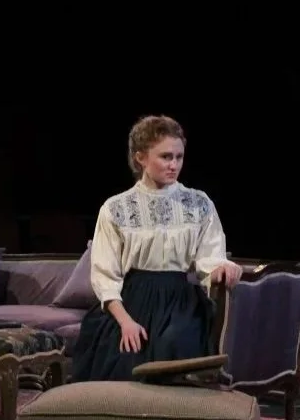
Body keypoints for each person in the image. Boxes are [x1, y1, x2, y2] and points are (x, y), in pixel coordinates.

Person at [71, 114, 243, 383]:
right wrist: (125, 321)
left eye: (179, 157)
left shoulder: (198, 203)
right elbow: (105, 275)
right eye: (165, 157)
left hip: (180, 300)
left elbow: (210, 256)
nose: (174, 164)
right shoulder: (116, 208)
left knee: (175, 345)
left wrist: (221, 268)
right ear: (141, 158)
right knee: (123, 355)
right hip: (132, 299)